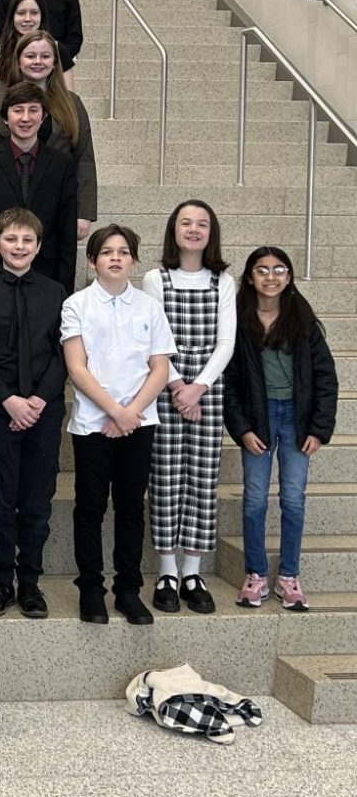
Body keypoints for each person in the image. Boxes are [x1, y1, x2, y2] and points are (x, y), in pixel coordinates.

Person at [61, 224, 176, 626]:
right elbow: (77, 367)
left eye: (123, 251)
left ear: (134, 260)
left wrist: (130, 414)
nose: (115, 257)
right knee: (90, 508)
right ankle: (91, 589)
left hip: (139, 422)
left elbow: (159, 368)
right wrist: (113, 411)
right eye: (106, 251)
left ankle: (128, 590)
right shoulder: (76, 304)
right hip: (93, 425)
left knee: (130, 507)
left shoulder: (149, 307)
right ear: (91, 261)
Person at [0, 208, 66, 619]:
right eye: (11, 239)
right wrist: (8, 399)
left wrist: (38, 399)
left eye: (27, 241)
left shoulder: (56, 293)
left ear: (38, 247)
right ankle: (2, 581)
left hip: (45, 409)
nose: (19, 247)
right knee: (1, 499)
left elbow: (66, 350)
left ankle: (32, 584)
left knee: (38, 498)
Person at [225, 247, 338, 611]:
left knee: (293, 498)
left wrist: (318, 429)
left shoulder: (303, 322)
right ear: (250, 277)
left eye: (279, 270)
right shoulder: (238, 321)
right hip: (258, 420)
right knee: (255, 498)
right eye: (262, 270)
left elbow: (326, 378)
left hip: (297, 419)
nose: (270, 277)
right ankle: (255, 575)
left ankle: (288, 576)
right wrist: (242, 429)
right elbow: (229, 383)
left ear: (288, 277)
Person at [142, 200, 237, 616]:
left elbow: (226, 342)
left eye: (202, 224)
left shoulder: (223, 281)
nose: (194, 230)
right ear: (173, 230)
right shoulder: (155, 278)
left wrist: (198, 387)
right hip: (162, 382)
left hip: (208, 389)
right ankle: (166, 571)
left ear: (210, 232)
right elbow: (154, 336)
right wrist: (177, 383)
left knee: (202, 478)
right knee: (164, 477)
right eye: (186, 223)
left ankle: (193, 573)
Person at [0, 30, 96, 239]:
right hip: (4, 208)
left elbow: (84, 159)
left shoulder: (72, 103)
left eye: (45, 56)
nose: (37, 62)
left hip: (56, 205)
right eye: (30, 56)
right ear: (19, 61)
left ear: (55, 62)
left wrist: (84, 213)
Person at [0, 81, 78, 294]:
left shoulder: (62, 164)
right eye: (18, 110)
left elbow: (67, 233)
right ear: (5, 118)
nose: (25, 118)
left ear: (43, 117)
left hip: (46, 272)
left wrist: (65, 290)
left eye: (33, 110)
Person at [0, 0, 75, 105]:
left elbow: (69, 101)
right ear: (12, 17)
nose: (28, 18)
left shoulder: (59, 51)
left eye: (34, 13)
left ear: (42, 16)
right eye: (21, 13)